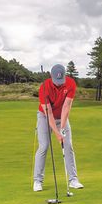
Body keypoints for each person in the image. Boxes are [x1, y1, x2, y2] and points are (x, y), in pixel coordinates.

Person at [33, 64, 84, 192]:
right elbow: (49, 113)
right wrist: (57, 134)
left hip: (62, 117)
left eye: (61, 82)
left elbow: (66, 107)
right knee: (44, 146)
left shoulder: (71, 84)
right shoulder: (44, 88)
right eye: (56, 82)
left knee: (68, 145)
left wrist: (61, 128)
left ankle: (73, 180)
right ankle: (37, 181)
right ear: (51, 77)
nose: (59, 85)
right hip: (44, 117)